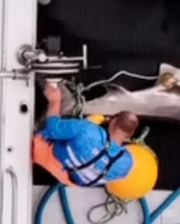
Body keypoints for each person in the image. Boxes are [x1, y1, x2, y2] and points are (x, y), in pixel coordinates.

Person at [31, 81, 159, 200]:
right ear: (129, 135)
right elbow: (102, 154)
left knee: (55, 111)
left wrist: (55, 101)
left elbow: (53, 129)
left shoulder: (87, 130)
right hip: (67, 177)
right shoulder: (126, 164)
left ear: (112, 121)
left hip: (44, 152)